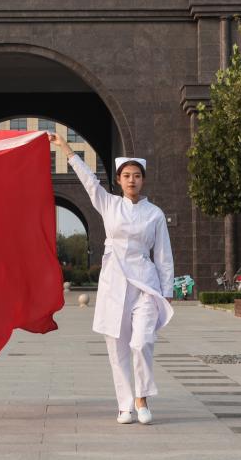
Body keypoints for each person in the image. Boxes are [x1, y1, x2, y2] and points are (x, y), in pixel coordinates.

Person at [50, 134, 174, 425]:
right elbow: (88, 180)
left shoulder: (154, 214)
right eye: (127, 176)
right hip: (115, 284)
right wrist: (65, 148)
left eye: (137, 176)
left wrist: (167, 290)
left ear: (143, 180)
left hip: (145, 284)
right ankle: (125, 405)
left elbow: (163, 255)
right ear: (119, 180)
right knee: (117, 349)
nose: (132, 180)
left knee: (142, 342)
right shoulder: (109, 204)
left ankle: (142, 398)